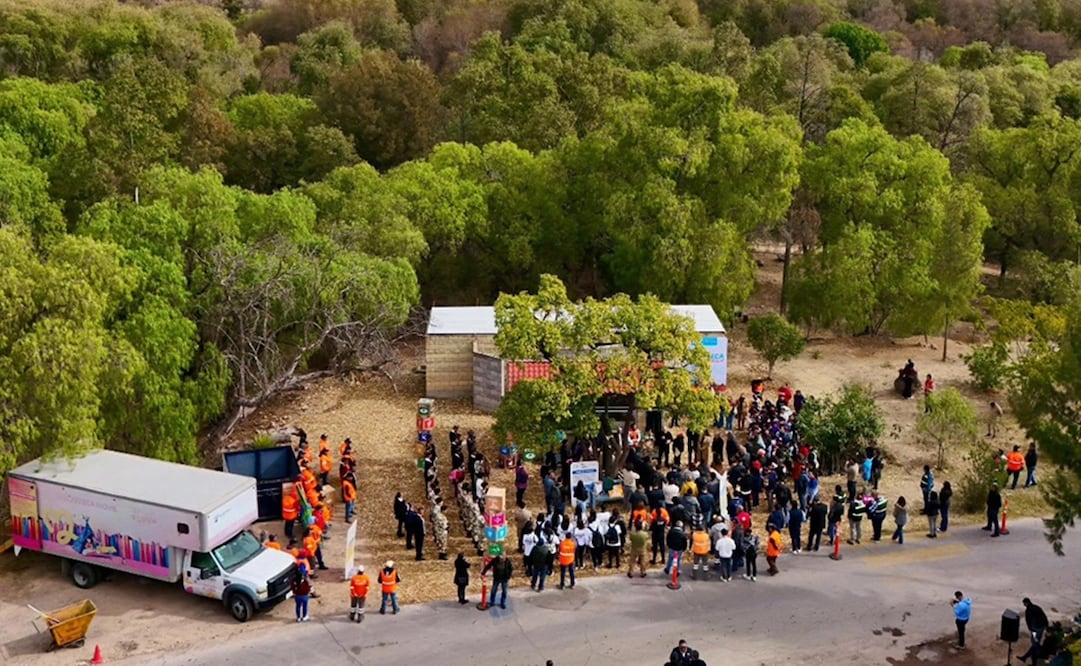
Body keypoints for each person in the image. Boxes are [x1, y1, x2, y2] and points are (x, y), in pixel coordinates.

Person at [1018, 597, 1050, 664]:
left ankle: (1040, 656)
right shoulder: (1036, 607)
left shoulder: (1029, 610)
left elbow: (1028, 621)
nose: (1024, 605)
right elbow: (1043, 615)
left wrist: (1030, 628)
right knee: (1035, 643)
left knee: (1035, 644)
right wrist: (1046, 625)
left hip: (1035, 629)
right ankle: (1025, 657)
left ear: (1026, 603)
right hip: (1040, 628)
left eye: (1024, 603)